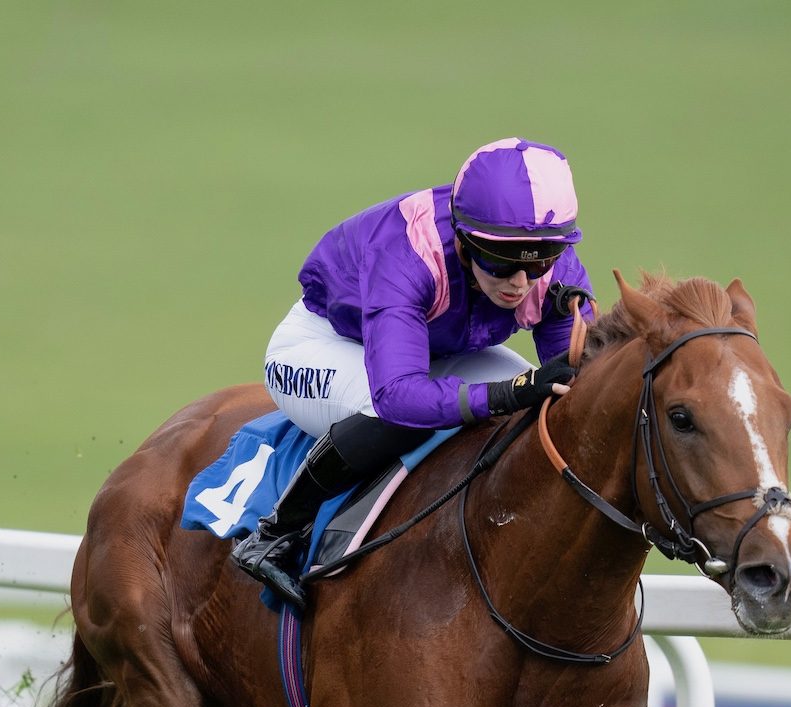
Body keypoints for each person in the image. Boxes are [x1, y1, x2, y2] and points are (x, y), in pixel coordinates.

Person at [234, 137, 599, 608]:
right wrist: (506, 394)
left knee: (550, 402)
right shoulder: (409, 254)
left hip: (432, 349)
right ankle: (275, 533)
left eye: (541, 261)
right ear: (466, 242)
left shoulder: (547, 258)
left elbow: (573, 377)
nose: (521, 283)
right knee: (401, 412)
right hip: (327, 344)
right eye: (502, 262)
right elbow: (399, 396)